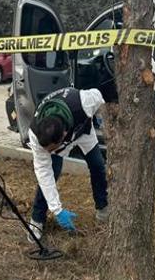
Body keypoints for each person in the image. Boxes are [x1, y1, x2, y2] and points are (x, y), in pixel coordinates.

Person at [26, 87, 109, 241]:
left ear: (63, 136)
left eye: (51, 149)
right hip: (63, 137)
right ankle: (37, 221)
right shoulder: (36, 135)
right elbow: (44, 173)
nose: (47, 152)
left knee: (98, 165)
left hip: (82, 130)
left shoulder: (84, 102)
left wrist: (101, 119)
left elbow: (99, 95)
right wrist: (57, 210)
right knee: (51, 174)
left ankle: (103, 209)